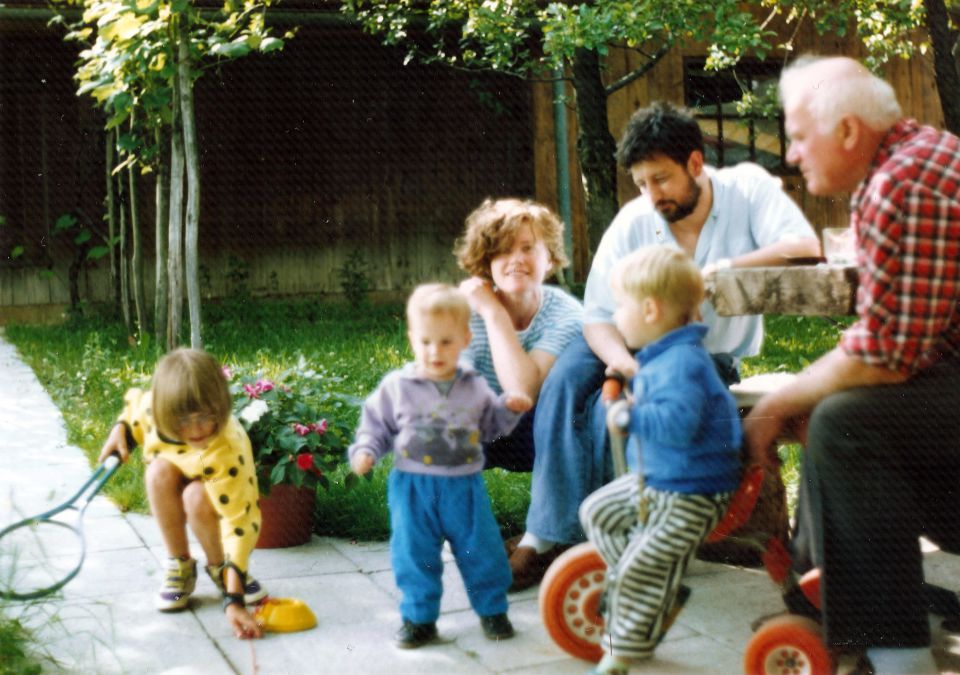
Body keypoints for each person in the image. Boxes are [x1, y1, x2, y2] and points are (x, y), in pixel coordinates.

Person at [509, 101, 821, 591]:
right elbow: (597, 314)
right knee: (568, 381)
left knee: (629, 412)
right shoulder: (636, 219)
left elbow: (806, 248)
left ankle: (613, 540)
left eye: (661, 179)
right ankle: (541, 538)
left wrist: (724, 269)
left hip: (696, 352)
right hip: (622, 338)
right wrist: (623, 364)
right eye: (640, 183)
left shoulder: (748, 190)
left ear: (696, 164)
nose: (651, 195)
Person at [744, 55, 960, 675]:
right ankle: (826, 613)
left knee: (843, 421)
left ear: (846, 130)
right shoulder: (904, 164)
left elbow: (885, 358)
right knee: (837, 411)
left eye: (796, 134)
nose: (790, 154)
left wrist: (775, 404)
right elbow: (888, 343)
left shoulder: (905, 182)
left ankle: (896, 657)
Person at [580, 245, 742, 675]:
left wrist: (629, 415)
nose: (615, 317)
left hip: (694, 490)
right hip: (659, 481)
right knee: (597, 511)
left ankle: (622, 650)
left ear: (650, 309)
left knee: (635, 568)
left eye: (620, 307)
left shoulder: (682, 363)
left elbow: (676, 424)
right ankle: (659, 591)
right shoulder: (661, 358)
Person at [348, 283, 534, 649]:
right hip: (413, 487)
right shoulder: (397, 387)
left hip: (463, 486)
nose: (435, 351)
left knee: (480, 548)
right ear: (412, 339)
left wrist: (508, 410)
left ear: (465, 339)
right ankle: (419, 618)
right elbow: (376, 424)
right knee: (413, 553)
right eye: (426, 342)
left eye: (446, 342)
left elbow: (491, 427)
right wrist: (366, 450)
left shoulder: (474, 386)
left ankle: (492, 609)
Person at [98, 348, 266, 640]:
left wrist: (234, 599)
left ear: (220, 406)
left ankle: (221, 569)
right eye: (183, 421)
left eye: (203, 417)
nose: (195, 429)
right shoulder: (160, 411)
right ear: (167, 414)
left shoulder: (229, 447)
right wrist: (120, 430)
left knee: (196, 498)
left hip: (214, 477)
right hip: (177, 463)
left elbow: (240, 523)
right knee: (157, 473)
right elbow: (138, 412)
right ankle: (180, 566)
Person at [454, 198, 583, 475]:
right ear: (487, 262)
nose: (516, 260)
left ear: (549, 259)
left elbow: (521, 390)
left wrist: (494, 313)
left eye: (528, 248)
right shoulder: (464, 309)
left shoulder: (567, 314)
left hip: (537, 433)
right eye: (502, 251)